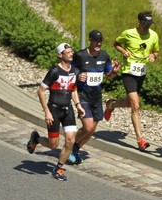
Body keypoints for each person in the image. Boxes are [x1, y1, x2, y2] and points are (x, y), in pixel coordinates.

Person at [26, 43, 85, 181]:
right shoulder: (54, 71)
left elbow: (74, 89)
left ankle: (58, 168)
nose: (71, 54)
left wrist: (78, 105)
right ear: (60, 55)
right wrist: (47, 111)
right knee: (54, 144)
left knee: (70, 140)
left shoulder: (75, 71)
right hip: (54, 110)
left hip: (68, 110)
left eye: (72, 51)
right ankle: (36, 139)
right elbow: (40, 91)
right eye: (68, 52)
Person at [104, 11, 160, 152]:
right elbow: (116, 43)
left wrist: (153, 55)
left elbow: (156, 51)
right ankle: (140, 139)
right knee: (135, 104)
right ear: (139, 22)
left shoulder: (153, 35)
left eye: (149, 24)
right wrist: (123, 51)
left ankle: (112, 105)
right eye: (145, 23)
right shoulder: (128, 33)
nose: (147, 26)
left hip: (141, 72)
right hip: (128, 72)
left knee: (130, 103)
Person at [69, 30, 121, 165]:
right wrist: (78, 76)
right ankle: (69, 146)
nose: (98, 43)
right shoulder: (80, 56)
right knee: (87, 127)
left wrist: (114, 71)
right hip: (83, 95)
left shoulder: (104, 56)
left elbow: (109, 75)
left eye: (100, 41)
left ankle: (75, 148)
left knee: (92, 130)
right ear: (89, 41)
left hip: (96, 97)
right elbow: (69, 71)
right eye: (95, 41)